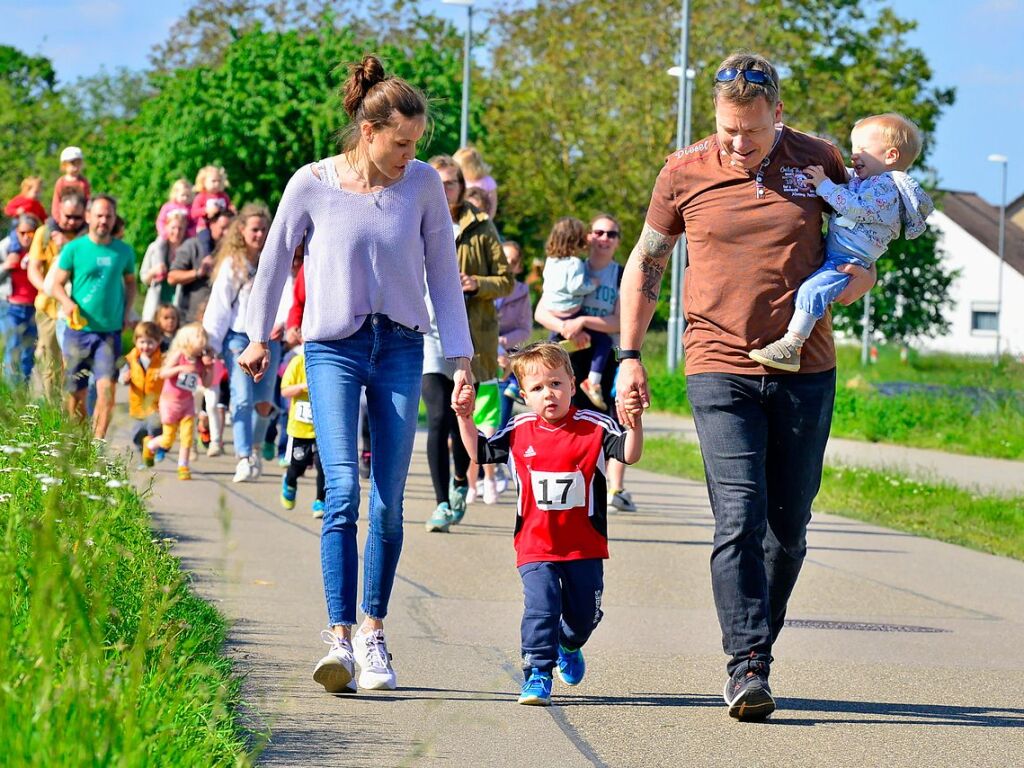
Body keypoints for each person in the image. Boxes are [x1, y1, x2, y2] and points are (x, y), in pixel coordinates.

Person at [615, 52, 876, 721]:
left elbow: (860, 250)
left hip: (805, 369)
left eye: (752, 132)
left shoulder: (818, 159)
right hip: (717, 362)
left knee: (787, 530)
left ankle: (758, 639)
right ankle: (748, 664)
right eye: (728, 130)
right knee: (739, 516)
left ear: (778, 115)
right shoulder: (683, 170)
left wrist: (855, 283)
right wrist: (628, 355)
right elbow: (647, 260)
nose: (738, 143)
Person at [237, 54, 473, 694]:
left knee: (389, 502)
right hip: (334, 348)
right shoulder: (310, 184)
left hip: (399, 346)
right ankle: (339, 639)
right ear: (368, 132)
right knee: (341, 491)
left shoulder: (422, 185)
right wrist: (257, 336)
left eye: (416, 143)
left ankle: (374, 633)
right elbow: (274, 263)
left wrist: (462, 359)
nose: (409, 154)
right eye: (401, 142)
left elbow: (443, 279)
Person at [454, 342, 643, 705]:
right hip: (535, 544)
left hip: (583, 545)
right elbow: (479, 451)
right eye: (537, 389)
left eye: (556, 384)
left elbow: (629, 454)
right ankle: (537, 672)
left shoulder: (595, 426)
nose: (548, 394)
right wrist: (465, 417)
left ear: (573, 384)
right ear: (523, 395)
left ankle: (569, 645)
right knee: (541, 607)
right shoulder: (518, 428)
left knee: (583, 616)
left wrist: (634, 425)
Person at [749, 112, 934, 371]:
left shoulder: (886, 188)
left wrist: (824, 185)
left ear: (891, 156)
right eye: (854, 147)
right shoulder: (869, 181)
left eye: (863, 149)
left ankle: (792, 345)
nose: (854, 154)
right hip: (840, 252)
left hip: (848, 261)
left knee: (812, 291)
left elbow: (855, 208)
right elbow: (848, 180)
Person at [422, 153, 512, 533]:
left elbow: (506, 279)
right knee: (438, 416)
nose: (444, 190)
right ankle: (442, 501)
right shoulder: (413, 217)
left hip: (468, 334)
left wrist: (476, 283)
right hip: (425, 332)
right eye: (437, 183)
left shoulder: (480, 225)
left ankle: (463, 480)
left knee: (463, 413)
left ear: (461, 187)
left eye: (451, 183)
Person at [536, 212, 637, 513]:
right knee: (564, 418)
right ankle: (562, 477)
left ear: (618, 242)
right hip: (568, 355)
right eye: (599, 232)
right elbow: (542, 311)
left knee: (602, 420)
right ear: (588, 237)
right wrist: (568, 327)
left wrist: (582, 320)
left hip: (601, 357)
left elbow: (620, 320)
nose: (604, 238)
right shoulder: (570, 266)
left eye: (612, 234)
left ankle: (604, 484)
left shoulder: (621, 275)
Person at [202, 202, 281, 483]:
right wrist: (210, 344)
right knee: (242, 398)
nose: (259, 235)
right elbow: (219, 306)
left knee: (264, 403)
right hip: (238, 337)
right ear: (242, 231)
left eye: (263, 229)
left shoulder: (275, 260)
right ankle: (244, 456)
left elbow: (283, 296)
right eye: (254, 229)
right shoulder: (232, 265)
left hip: (271, 338)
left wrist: (285, 325)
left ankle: (257, 449)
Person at [50, 195, 136, 438]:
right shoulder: (74, 249)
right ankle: (77, 441)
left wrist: (127, 312)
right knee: (75, 394)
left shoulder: (124, 251)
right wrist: (66, 302)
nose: (103, 221)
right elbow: (57, 284)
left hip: (109, 333)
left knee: (106, 390)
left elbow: (131, 284)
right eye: (99, 215)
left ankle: (96, 446)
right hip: (79, 331)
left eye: (108, 216)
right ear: (88, 217)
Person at [540, 217, 610, 409]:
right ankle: (593, 381)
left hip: (554, 313)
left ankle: (535, 378)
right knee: (603, 342)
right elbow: (576, 286)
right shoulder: (575, 263)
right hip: (571, 313)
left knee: (551, 350)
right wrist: (591, 285)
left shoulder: (551, 261)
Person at [27, 189, 87, 397]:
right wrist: (46, 288)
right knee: (50, 364)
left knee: (75, 365)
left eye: (76, 217)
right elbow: (33, 268)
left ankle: (73, 411)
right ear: (58, 211)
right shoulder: (44, 233)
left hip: (77, 310)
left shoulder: (88, 237)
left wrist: (67, 245)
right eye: (67, 216)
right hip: (49, 310)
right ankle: (52, 413)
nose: (71, 222)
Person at [146, 323, 213, 480]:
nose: (203, 340)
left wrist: (210, 367)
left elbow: (207, 383)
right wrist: (180, 369)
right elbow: (163, 373)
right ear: (186, 340)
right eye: (198, 337)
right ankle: (150, 445)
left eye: (204, 337)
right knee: (168, 439)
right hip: (170, 402)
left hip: (187, 403)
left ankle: (183, 465)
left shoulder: (199, 361)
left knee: (187, 435)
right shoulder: (179, 355)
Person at [278, 345, 326, 517]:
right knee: (298, 465)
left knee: (324, 467)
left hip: (322, 428)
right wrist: (304, 387)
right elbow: (284, 391)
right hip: (300, 428)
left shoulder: (329, 365)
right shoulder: (298, 362)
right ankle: (290, 482)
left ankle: (321, 501)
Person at [168, 208, 234, 323]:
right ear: (212, 225)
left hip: (222, 321)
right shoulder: (193, 245)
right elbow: (172, 277)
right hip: (191, 319)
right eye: (223, 228)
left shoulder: (234, 251)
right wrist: (198, 273)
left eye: (231, 229)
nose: (227, 233)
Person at [495, 240, 533, 428]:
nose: (507, 263)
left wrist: (502, 343)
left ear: (518, 267)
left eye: (513, 260)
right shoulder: (479, 286)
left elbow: (525, 328)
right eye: (503, 258)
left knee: (499, 423)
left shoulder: (522, 292)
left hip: (506, 359)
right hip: (479, 355)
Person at [1, 214, 41, 383]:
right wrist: (5, 266)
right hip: (10, 307)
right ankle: (11, 397)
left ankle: (21, 397)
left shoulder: (40, 249)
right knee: (13, 351)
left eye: (30, 233)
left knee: (27, 356)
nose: (26, 237)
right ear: (16, 232)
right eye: (22, 233)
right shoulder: (6, 247)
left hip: (34, 309)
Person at [120, 320, 164, 465]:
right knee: (136, 435)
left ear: (158, 342)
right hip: (137, 405)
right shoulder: (131, 360)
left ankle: (156, 449)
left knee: (154, 428)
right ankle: (144, 455)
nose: (146, 346)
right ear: (136, 341)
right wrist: (124, 379)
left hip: (156, 405)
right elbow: (122, 376)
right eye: (142, 342)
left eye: (150, 342)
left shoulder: (162, 360)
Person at [141, 210, 188, 321]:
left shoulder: (188, 250)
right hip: (156, 302)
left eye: (180, 228)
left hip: (178, 303)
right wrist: (153, 272)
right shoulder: (155, 248)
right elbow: (144, 278)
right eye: (173, 228)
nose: (176, 232)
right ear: (166, 228)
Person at [454, 146, 498, 219]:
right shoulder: (461, 181)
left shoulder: (487, 181)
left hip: (482, 221)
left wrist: (488, 220)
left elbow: (493, 204)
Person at [4, 177, 46, 254]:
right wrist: (16, 211)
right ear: (27, 190)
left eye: (39, 192)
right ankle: (14, 249)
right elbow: (7, 210)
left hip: (32, 226)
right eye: (36, 192)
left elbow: (43, 217)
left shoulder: (37, 204)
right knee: (15, 230)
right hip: (19, 224)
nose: (38, 194)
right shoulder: (19, 199)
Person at [50, 146, 91, 221]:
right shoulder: (61, 182)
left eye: (78, 164)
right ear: (64, 165)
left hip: (79, 218)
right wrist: (57, 218)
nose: (76, 167)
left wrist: (86, 216)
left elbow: (87, 201)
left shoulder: (83, 182)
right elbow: (56, 201)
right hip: (63, 217)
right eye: (73, 164)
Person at [190, 166, 234, 233]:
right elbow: (193, 213)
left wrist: (232, 209)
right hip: (204, 227)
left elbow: (229, 207)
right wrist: (206, 210)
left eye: (219, 181)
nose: (217, 184)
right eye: (213, 181)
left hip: (223, 228)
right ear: (204, 182)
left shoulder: (224, 196)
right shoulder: (201, 196)